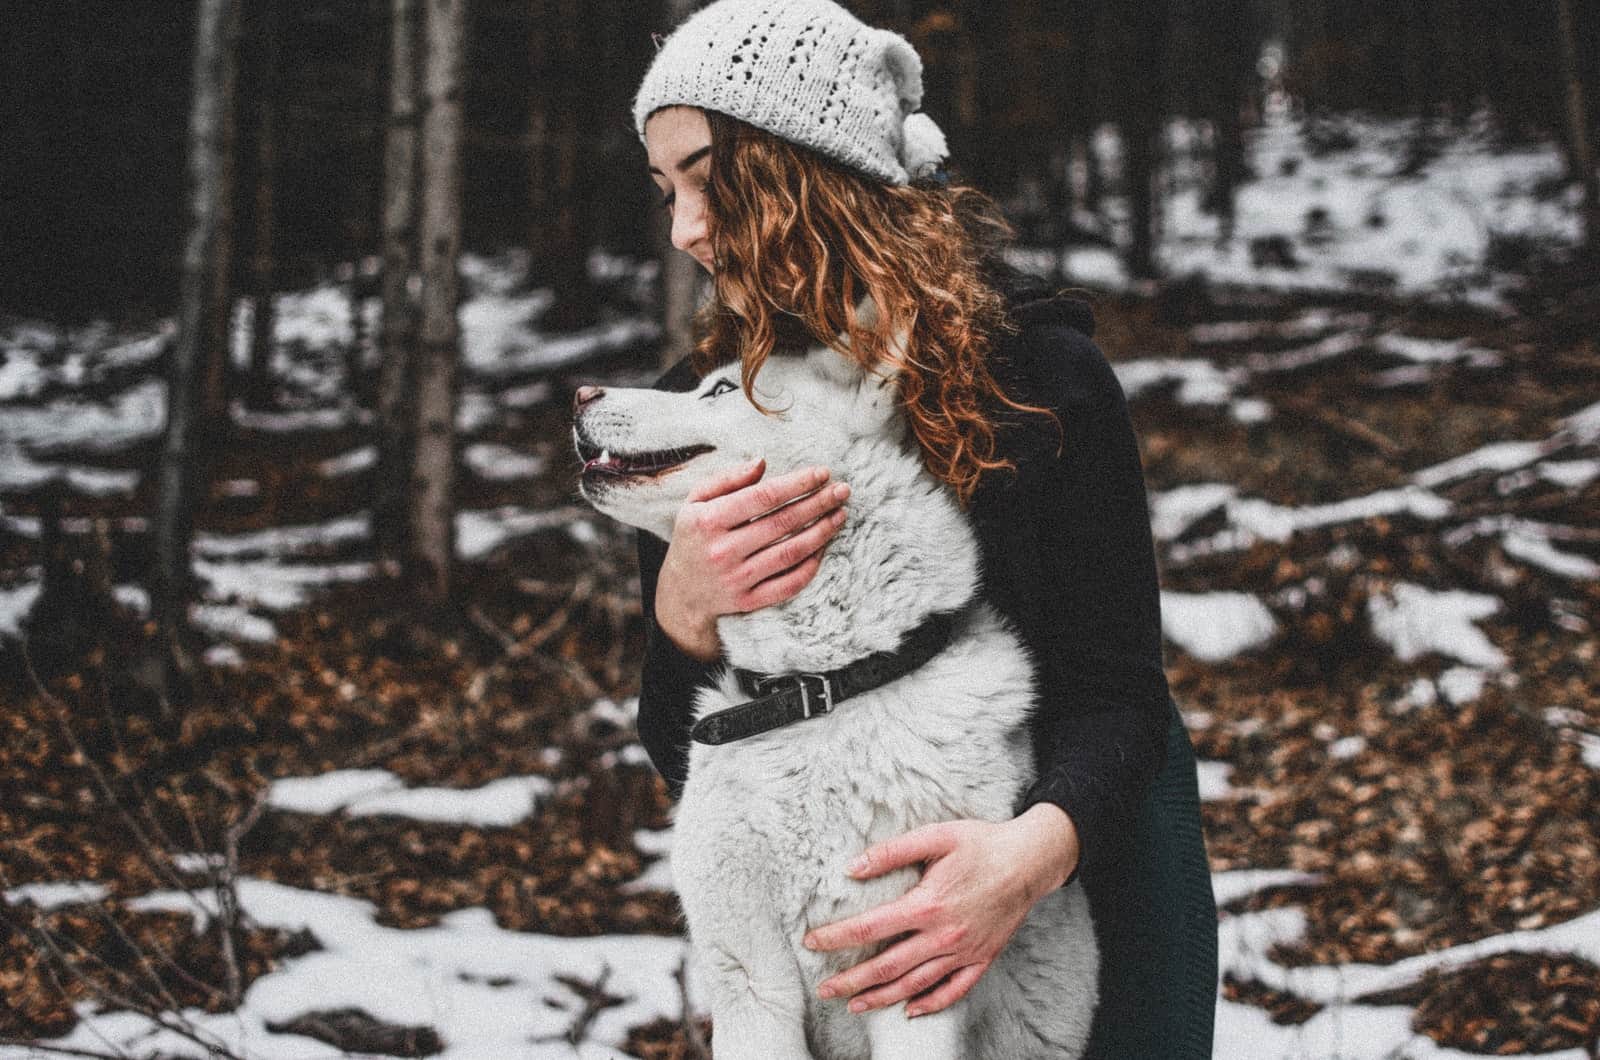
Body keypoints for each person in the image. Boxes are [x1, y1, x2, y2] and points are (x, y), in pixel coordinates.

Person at [626, 1, 1216, 1055]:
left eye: (709, 181)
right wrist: (681, 612)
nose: (683, 229)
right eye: (665, 191)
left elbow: (1118, 691)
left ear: (809, 165)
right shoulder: (698, 411)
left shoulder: (1039, 380)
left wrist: (1022, 861)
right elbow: (688, 753)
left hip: (1084, 843)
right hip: (850, 937)